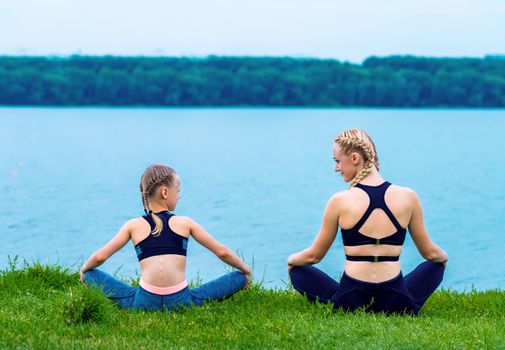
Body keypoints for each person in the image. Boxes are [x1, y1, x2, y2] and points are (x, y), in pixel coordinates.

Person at [287, 128, 448, 315]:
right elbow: (430, 253)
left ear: (355, 158)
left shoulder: (339, 201)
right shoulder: (408, 197)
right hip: (397, 301)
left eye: (337, 161)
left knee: (297, 271)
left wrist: (291, 262)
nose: (336, 168)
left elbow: (314, 256)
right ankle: (403, 306)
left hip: (350, 300)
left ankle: (342, 304)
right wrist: (443, 260)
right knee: (435, 265)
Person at [80, 164, 251, 311]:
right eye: (178, 191)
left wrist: (83, 271)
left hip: (144, 301)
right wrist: (245, 270)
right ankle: (242, 277)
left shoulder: (132, 225)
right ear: (164, 192)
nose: (179, 196)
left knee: (91, 274)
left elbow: (100, 257)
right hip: (181, 301)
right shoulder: (185, 223)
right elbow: (222, 252)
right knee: (238, 278)